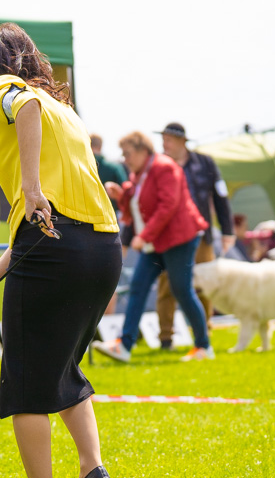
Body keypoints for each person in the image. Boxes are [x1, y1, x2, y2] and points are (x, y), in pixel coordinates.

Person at [0, 23, 122, 478]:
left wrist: (29, 187)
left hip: (56, 248)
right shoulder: (66, 113)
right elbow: (35, 233)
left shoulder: (6, 90)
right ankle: (90, 467)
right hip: (102, 246)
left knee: (27, 385)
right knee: (61, 366)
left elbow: (39, 216)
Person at [91, 131, 213, 363]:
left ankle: (203, 346)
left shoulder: (164, 167)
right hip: (157, 241)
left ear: (142, 150)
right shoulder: (141, 172)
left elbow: (168, 205)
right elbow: (139, 200)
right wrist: (122, 194)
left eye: (128, 154)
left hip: (180, 238)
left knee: (182, 290)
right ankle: (124, 346)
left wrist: (143, 236)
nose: (125, 159)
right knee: (138, 286)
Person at [156, 122, 234, 350]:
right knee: (167, 286)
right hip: (167, 237)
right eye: (163, 140)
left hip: (200, 236)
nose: (164, 144)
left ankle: (204, 331)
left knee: (204, 284)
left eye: (168, 140)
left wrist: (228, 230)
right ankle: (165, 337)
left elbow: (221, 198)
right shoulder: (160, 164)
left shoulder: (205, 163)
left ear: (182, 141)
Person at [90, 134, 128, 219]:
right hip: (111, 217)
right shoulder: (115, 167)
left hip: (86, 219)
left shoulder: (81, 167)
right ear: (100, 146)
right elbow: (126, 191)